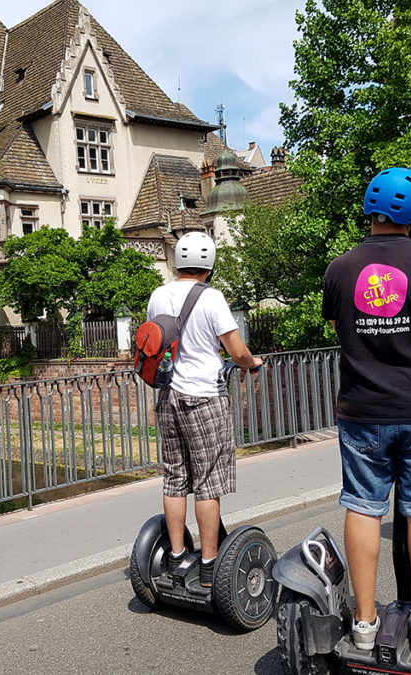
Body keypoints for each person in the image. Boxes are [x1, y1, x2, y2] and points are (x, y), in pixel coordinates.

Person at [322, 168, 411, 657]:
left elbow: (343, 330)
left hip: (362, 408)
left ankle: (363, 624)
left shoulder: (340, 268)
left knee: (363, 504)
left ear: (370, 209)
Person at [149, 231, 262, 588]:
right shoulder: (212, 298)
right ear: (209, 265)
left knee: (175, 479)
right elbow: (236, 350)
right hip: (204, 399)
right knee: (208, 482)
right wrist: (253, 364)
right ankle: (211, 564)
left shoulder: (158, 295)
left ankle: (179, 557)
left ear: (178, 263)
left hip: (167, 397)